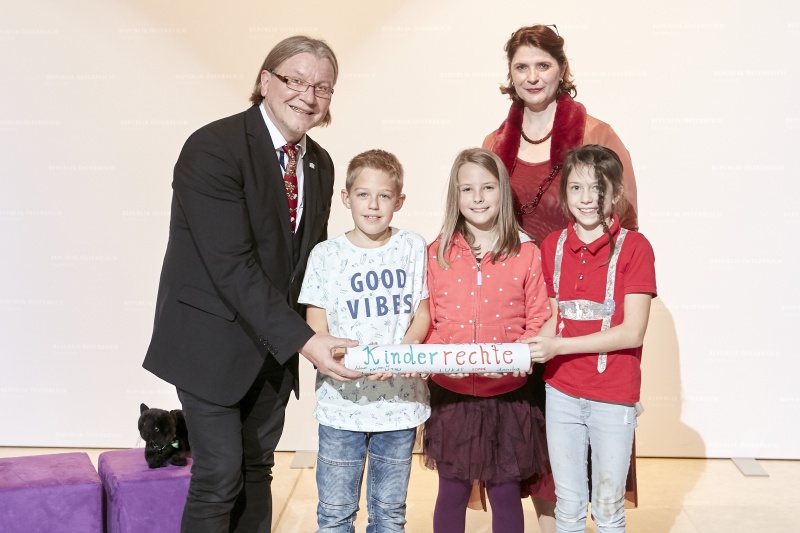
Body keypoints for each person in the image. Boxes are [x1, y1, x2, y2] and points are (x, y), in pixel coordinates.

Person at [142, 35, 361, 533]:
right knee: (219, 475)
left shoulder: (319, 164)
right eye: (295, 80)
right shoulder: (213, 148)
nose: (308, 95)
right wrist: (307, 340)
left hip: (273, 351)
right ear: (265, 81)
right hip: (211, 343)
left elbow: (309, 267)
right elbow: (231, 265)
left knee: (257, 470)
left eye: (323, 87)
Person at [482, 25, 642, 528]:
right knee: (530, 435)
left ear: (562, 69)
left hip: (580, 309)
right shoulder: (494, 142)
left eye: (543, 65)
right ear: (508, 75)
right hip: (518, 310)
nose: (532, 76)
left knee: (582, 437)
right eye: (521, 67)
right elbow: (480, 216)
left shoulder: (597, 134)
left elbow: (626, 221)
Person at [298, 149, 431, 532]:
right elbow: (316, 322)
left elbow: (421, 312)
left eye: (384, 196)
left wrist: (406, 348)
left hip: (399, 405)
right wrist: (335, 357)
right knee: (335, 513)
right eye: (362, 194)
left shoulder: (411, 247)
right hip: (342, 407)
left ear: (399, 201)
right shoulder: (326, 255)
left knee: (389, 514)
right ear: (346, 197)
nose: (373, 205)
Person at [526, 145, 656, 532]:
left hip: (613, 397)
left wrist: (558, 347)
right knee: (567, 504)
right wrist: (524, 348)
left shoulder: (636, 247)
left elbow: (632, 331)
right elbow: (552, 318)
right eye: (577, 188)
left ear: (616, 193)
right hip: (562, 392)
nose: (587, 199)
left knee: (608, 506)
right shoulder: (552, 247)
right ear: (564, 193)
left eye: (598, 189)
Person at [422, 148, 552, 533]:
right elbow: (429, 319)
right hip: (453, 394)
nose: (478, 197)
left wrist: (520, 355)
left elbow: (539, 316)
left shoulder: (526, 252)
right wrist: (436, 356)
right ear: (455, 196)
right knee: (452, 489)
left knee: (505, 491)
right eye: (467, 189)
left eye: (488, 187)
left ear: (503, 193)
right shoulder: (438, 253)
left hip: (508, 395)